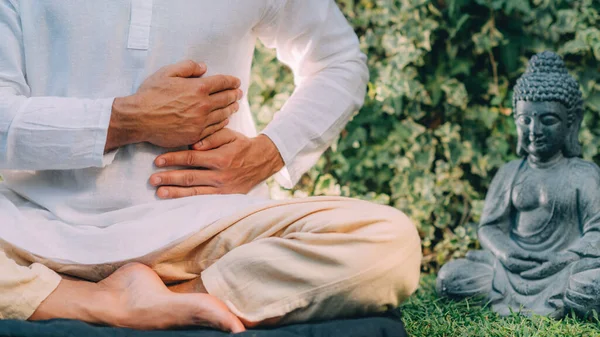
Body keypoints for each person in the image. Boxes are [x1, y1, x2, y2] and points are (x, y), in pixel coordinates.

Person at [0, 0, 422, 333]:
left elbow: (339, 60)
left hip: (207, 229)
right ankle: (103, 302)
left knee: (389, 242)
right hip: (34, 226)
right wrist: (126, 119)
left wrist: (268, 153)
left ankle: (178, 295)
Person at [436, 51, 600, 318]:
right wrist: (507, 252)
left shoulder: (585, 174)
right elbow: (490, 226)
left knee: (594, 286)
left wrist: (565, 258)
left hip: (564, 268)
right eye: (525, 120)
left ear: (572, 123)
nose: (534, 130)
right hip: (509, 270)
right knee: (450, 278)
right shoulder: (510, 172)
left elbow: (598, 233)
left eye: (548, 120)